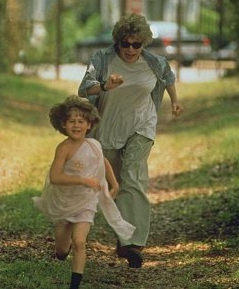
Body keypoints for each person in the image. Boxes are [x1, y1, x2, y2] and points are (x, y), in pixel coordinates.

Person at [78, 14, 184, 268]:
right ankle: (123, 234)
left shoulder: (154, 62)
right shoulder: (103, 59)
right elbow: (84, 88)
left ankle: (134, 243)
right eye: (125, 44)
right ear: (118, 43)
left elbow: (168, 78)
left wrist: (176, 101)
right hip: (108, 129)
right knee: (114, 184)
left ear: (143, 44)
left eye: (136, 44)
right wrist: (105, 85)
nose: (130, 49)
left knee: (133, 176)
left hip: (141, 126)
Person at [33, 95, 135, 289]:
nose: (77, 125)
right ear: (63, 124)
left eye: (81, 121)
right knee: (62, 251)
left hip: (86, 200)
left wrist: (114, 185)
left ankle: (74, 285)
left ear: (89, 124)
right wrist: (82, 180)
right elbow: (55, 177)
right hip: (64, 201)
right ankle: (64, 248)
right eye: (72, 121)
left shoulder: (93, 145)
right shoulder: (63, 149)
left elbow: (102, 162)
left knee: (80, 241)